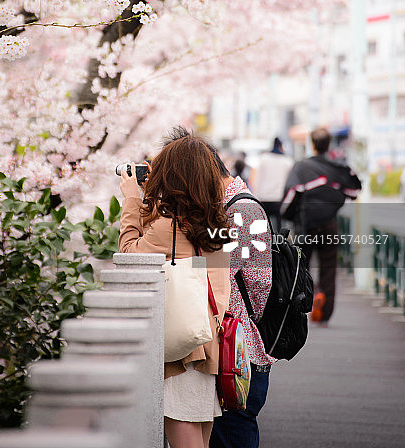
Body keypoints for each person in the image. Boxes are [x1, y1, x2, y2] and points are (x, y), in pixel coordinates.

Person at [118, 129, 231, 448]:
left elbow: (129, 253)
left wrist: (132, 200)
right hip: (206, 345)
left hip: (181, 356)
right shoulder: (213, 225)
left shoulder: (171, 227)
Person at [210, 169, 275, 448]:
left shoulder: (242, 210)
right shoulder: (232, 205)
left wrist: (184, 264)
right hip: (239, 340)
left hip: (239, 345)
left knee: (234, 430)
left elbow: (254, 281)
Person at [280, 126, 361, 324]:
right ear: (328, 144)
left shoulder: (301, 167)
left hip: (306, 225)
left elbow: (290, 196)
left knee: (302, 268)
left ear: (313, 145)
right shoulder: (338, 167)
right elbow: (353, 191)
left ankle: (303, 307)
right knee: (329, 269)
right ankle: (325, 313)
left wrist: (288, 215)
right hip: (329, 224)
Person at [248, 137, 293, 232]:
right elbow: (290, 183)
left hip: (264, 198)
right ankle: (280, 245)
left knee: (264, 227)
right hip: (279, 198)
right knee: (280, 227)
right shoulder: (287, 161)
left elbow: (257, 179)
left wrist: (256, 197)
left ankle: (265, 244)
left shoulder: (263, 159)